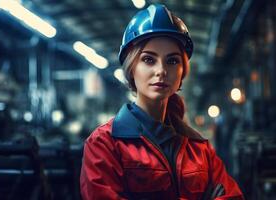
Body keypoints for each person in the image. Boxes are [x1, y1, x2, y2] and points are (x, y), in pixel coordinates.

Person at [80, 4, 244, 200]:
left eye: (172, 61)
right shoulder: (104, 145)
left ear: (182, 71)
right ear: (131, 68)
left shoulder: (199, 148)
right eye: (149, 60)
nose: (161, 71)